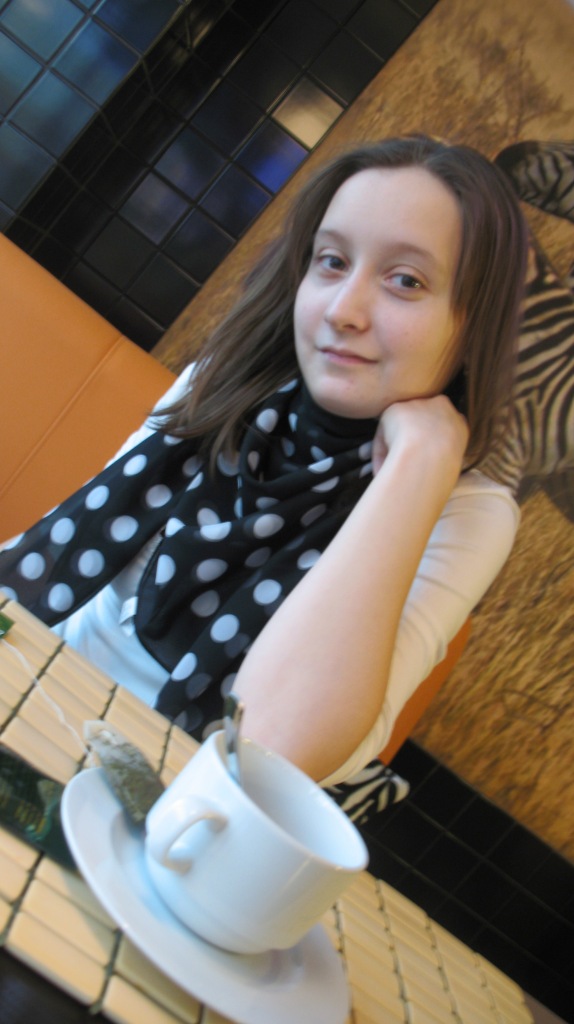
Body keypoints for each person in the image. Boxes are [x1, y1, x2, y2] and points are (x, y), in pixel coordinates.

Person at [0, 135, 529, 788]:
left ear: (474, 326)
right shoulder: (229, 378)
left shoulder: (466, 509)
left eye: (406, 281)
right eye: (332, 261)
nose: (343, 310)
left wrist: (416, 469)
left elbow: (278, 750)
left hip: (169, 797)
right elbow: (62, 560)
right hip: (31, 681)